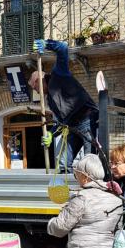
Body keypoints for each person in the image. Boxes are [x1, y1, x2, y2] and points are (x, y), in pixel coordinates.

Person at [29, 39, 99, 170]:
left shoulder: (59, 74)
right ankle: (64, 190)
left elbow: (63, 47)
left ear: (39, 80)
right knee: (62, 163)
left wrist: (46, 44)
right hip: (72, 126)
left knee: (90, 162)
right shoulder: (50, 99)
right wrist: (51, 134)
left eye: (35, 88)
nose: (36, 91)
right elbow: (60, 122)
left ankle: (91, 189)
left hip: (87, 120)